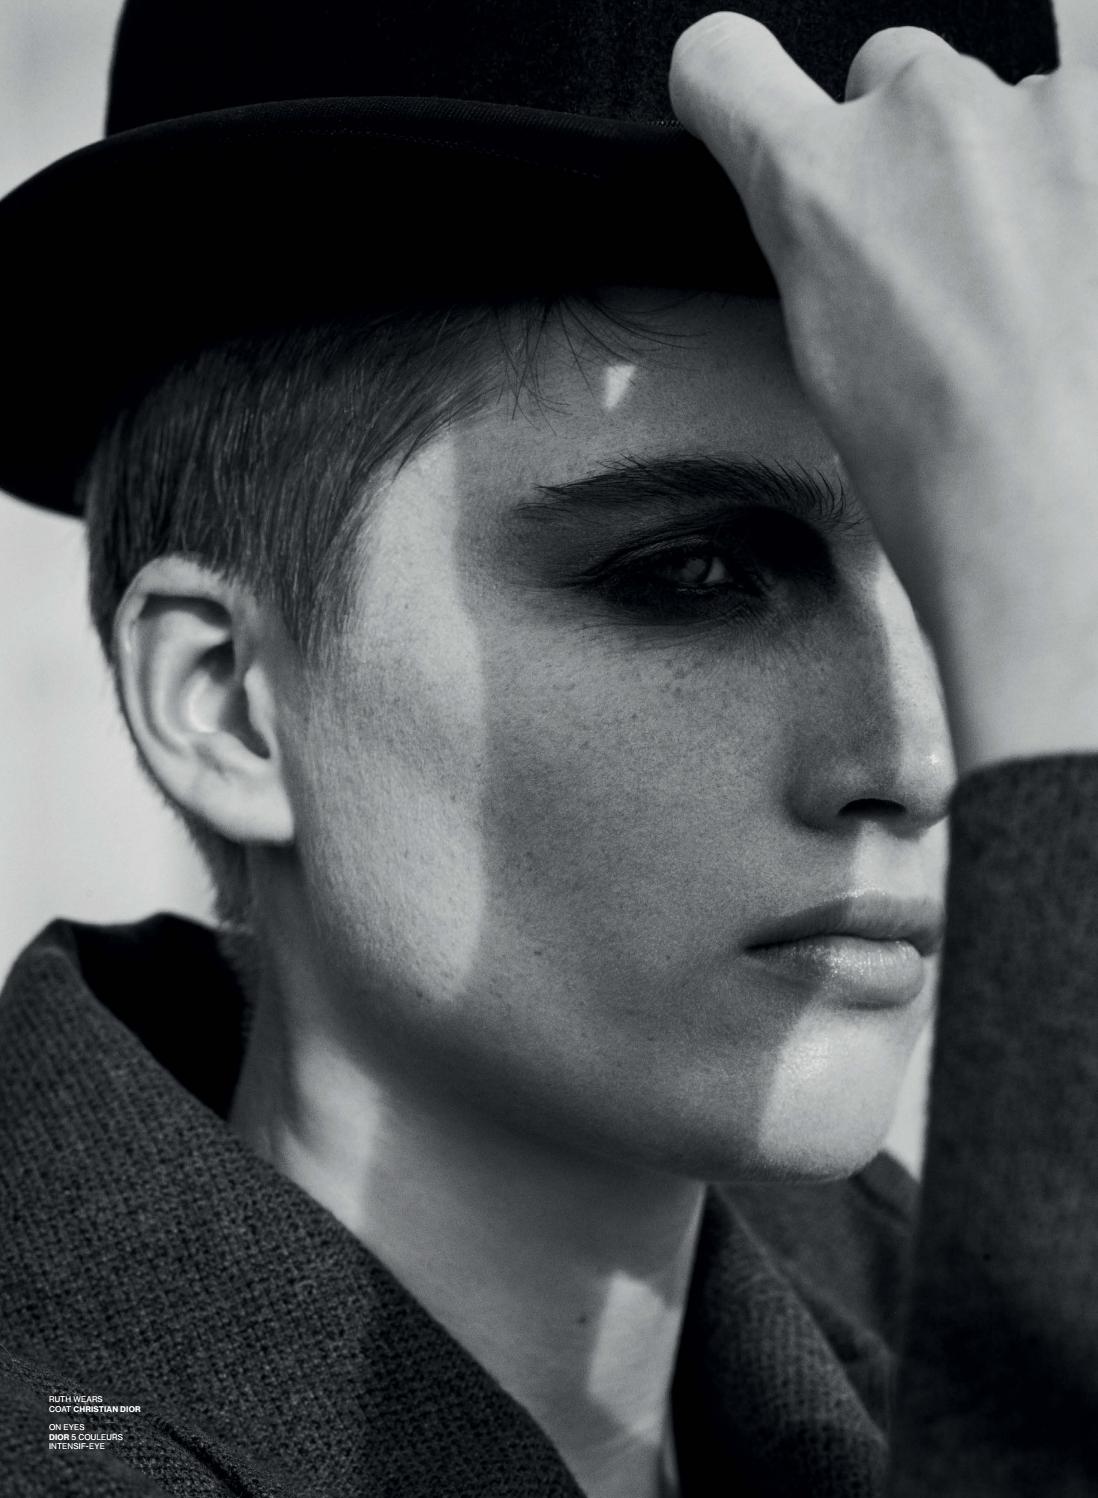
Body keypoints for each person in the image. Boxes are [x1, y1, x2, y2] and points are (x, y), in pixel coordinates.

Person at [1, 2, 1096, 1496]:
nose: (917, 757)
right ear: (226, 699)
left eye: (951, 573)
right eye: (695, 572)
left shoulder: (909, 1317)